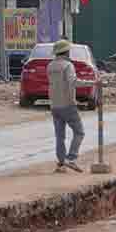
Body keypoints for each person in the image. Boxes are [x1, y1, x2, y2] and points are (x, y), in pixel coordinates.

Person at [48, 38, 85, 173]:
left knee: (59, 136)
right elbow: (73, 82)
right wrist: (93, 83)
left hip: (54, 105)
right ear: (66, 52)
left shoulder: (50, 66)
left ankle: (62, 163)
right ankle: (71, 158)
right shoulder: (67, 66)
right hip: (68, 105)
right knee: (79, 132)